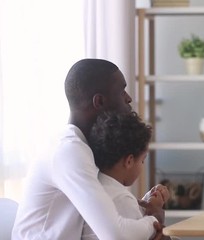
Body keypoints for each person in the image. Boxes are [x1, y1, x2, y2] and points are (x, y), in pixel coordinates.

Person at [12, 59, 169, 240]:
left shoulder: (83, 146)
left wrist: (143, 208)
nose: (129, 98)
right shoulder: (70, 152)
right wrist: (153, 220)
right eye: (122, 91)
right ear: (99, 101)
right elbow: (115, 235)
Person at [81, 111, 163, 240]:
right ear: (129, 161)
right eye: (142, 160)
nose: (142, 165)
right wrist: (156, 211)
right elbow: (146, 233)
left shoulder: (96, 189)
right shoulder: (122, 199)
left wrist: (148, 200)